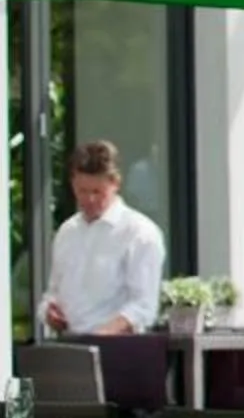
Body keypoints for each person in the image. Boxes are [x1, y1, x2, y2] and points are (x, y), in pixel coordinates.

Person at [43, 139, 165, 336]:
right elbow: (54, 291)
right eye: (82, 191)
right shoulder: (67, 232)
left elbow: (144, 305)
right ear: (72, 182)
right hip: (69, 345)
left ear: (115, 183)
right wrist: (50, 310)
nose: (89, 199)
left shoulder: (139, 233)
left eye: (97, 192)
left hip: (119, 350)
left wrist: (103, 334)